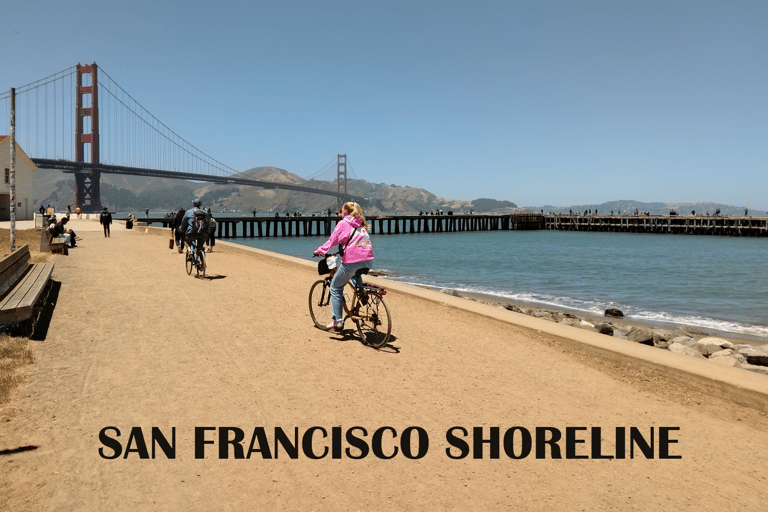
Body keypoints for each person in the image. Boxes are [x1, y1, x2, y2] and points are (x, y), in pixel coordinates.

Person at [313, 202, 375, 331]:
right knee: (354, 273)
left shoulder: (343, 224)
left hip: (352, 262)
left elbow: (332, 241)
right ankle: (362, 292)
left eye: (341, 211)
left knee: (335, 288)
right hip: (368, 261)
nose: (340, 213)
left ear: (345, 212)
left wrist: (320, 251)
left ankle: (338, 321)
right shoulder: (360, 224)